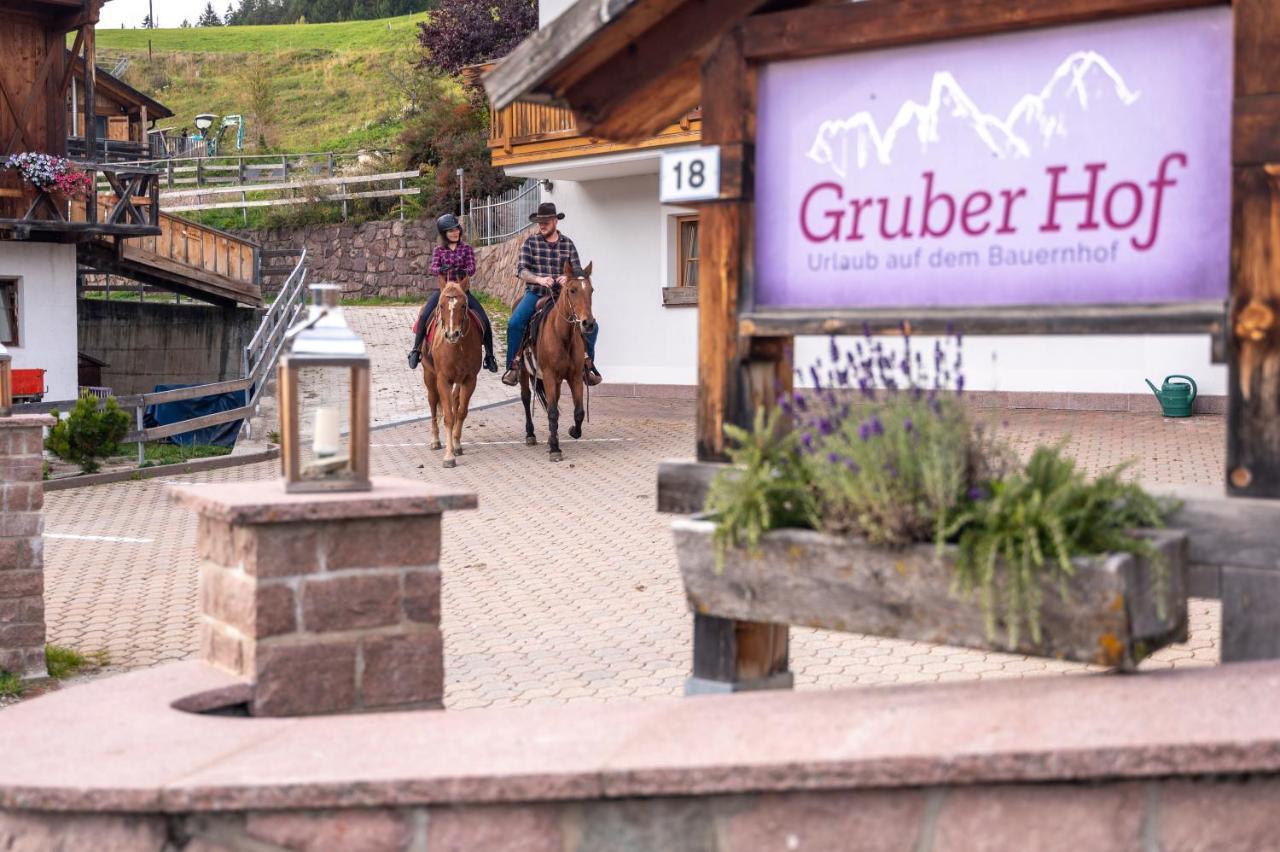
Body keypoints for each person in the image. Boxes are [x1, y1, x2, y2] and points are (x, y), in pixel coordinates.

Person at [502, 202, 602, 387]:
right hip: (536, 293)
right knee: (514, 323)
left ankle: (586, 366)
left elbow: (578, 271)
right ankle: (513, 367)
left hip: (564, 296)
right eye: (540, 221)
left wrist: (568, 277)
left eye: (546, 221)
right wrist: (539, 279)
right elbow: (521, 270)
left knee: (592, 327)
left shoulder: (568, 244)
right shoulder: (530, 243)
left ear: (556, 221)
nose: (542, 224)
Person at [407, 213, 498, 372]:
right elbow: (433, 268)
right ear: (444, 234)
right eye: (450, 231)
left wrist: (463, 269)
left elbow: (472, 268)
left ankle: (489, 356)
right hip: (444, 292)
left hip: (462, 292)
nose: (455, 233)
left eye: (456, 229)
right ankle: (415, 350)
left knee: (484, 319)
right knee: (423, 315)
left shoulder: (466, 249)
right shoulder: (439, 250)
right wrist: (440, 269)